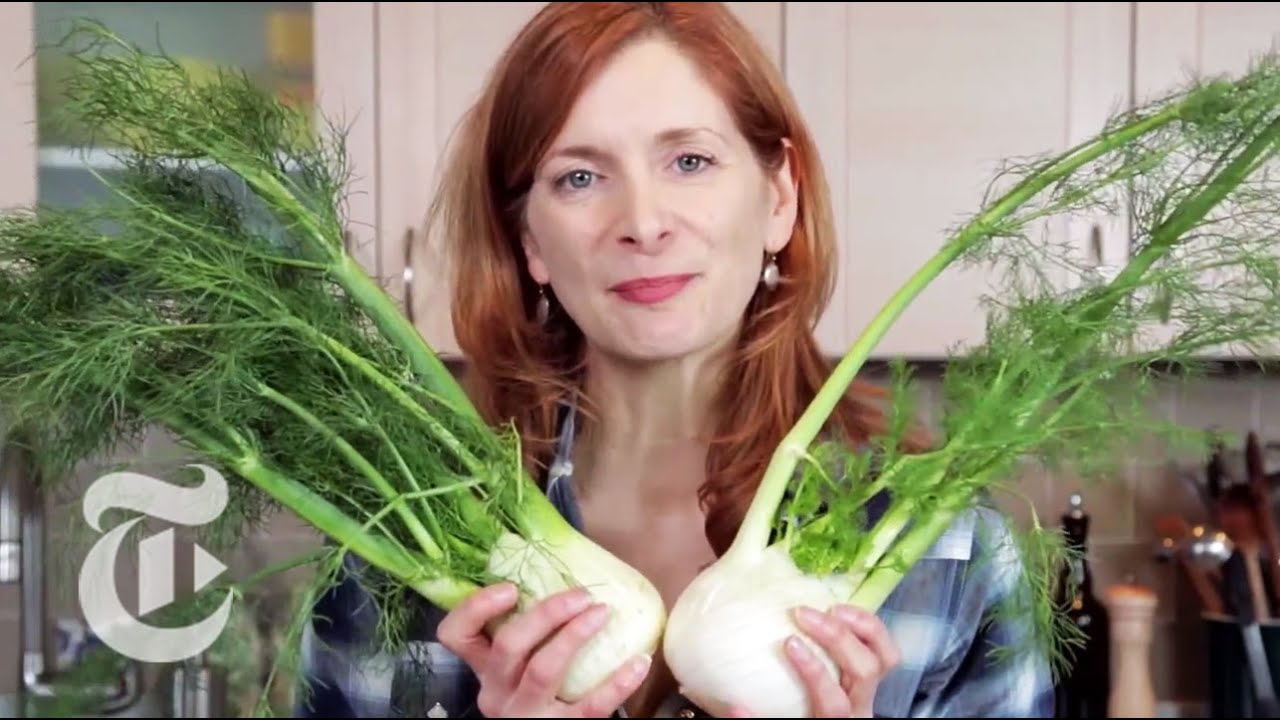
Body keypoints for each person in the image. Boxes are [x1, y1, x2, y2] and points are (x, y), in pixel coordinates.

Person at [293, 2, 1054, 717]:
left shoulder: (946, 549)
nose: (644, 222)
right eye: (579, 177)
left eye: (690, 161)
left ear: (779, 197)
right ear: (530, 242)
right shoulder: (396, 544)